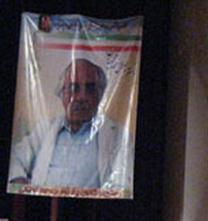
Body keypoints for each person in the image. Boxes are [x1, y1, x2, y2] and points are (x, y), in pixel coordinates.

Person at [8, 58, 133, 192]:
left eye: (90, 89)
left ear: (101, 95)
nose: (81, 97)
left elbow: (123, 181)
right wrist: (19, 181)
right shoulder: (45, 129)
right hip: (44, 202)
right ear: (62, 94)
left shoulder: (118, 136)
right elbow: (15, 158)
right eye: (74, 88)